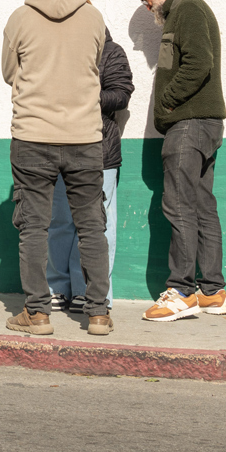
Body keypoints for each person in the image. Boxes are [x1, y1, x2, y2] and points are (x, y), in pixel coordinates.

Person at [0, 0, 113, 337]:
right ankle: (98, 314)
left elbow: (9, 73)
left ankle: (37, 314)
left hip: (33, 136)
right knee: (92, 227)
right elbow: (96, 64)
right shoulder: (94, 17)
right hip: (84, 136)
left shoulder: (19, 18)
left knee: (34, 227)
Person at [136, 0, 226, 323]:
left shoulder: (188, 9)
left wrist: (167, 102)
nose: (148, 8)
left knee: (178, 206)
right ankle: (212, 292)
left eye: (146, 0)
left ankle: (181, 292)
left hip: (189, 124)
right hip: (202, 124)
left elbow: (199, 63)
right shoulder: (185, 10)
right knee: (202, 206)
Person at [46, 32, 134, 315]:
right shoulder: (59, 48)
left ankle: (88, 291)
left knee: (98, 224)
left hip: (100, 153)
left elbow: (121, 94)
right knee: (60, 221)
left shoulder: (111, 51)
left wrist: (84, 96)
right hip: (60, 148)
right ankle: (58, 287)